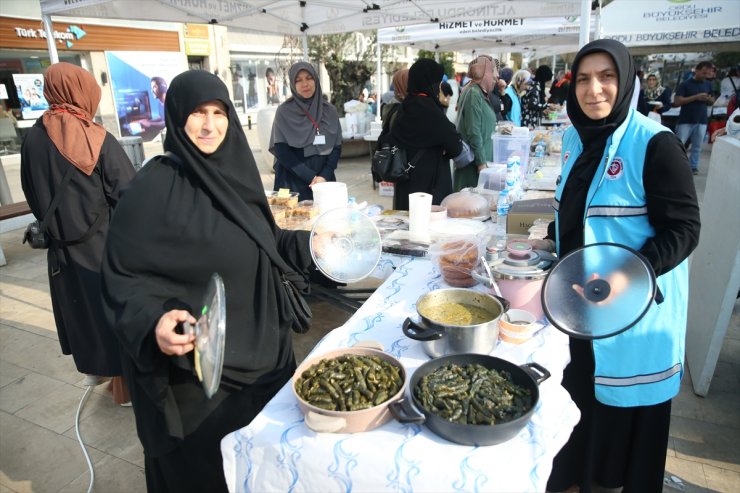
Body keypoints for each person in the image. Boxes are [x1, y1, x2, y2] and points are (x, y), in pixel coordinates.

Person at [100, 70, 316, 492]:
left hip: (266, 360)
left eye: (219, 112)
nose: (209, 124)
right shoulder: (152, 188)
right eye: (198, 113)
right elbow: (123, 278)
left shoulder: (237, 171)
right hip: (199, 378)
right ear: (178, 116)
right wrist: (155, 322)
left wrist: (317, 247)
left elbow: (265, 240)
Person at [544, 39, 700, 492]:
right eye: (585, 79)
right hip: (580, 304)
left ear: (627, 81)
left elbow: (684, 229)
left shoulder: (655, 144)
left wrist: (629, 274)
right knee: (582, 403)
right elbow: (575, 208)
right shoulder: (576, 136)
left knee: (625, 418)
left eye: (607, 77)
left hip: (634, 312)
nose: (594, 90)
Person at [20, 62, 136, 404]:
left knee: (81, 313)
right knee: (112, 316)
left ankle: (95, 370)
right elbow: (128, 193)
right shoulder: (95, 136)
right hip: (102, 248)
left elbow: (30, 190)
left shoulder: (33, 137)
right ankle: (124, 390)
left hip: (61, 251)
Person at [389, 58, 465, 210]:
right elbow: (456, 146)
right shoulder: (432, 111)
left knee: (407, 227)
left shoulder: (402, 109)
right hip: (430, 187)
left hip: (405, 183)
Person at [269, 61, 341, 201]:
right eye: (298, 80)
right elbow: (281, 151)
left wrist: (323, 176)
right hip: (292, 182)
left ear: (316, 79)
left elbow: (336, 148)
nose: (305, 84)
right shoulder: (284, 112)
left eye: (309, 78)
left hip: (324, 182)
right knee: (293, 221)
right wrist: (311, 177)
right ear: (292, 84)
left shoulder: (330, 111)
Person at [455, 54, 497, 191]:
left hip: (479, 163)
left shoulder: (477, 92)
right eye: (492, 72)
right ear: (484, 73)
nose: (496, 77)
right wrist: (481, 164)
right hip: (474, 166)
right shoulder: (473, 93)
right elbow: (474, 131)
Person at [673, 61, 715, 174]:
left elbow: (712, 101)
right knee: (679, 145)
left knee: (697, 146)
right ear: (697, 70)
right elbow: (677, 101)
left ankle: (693, 166)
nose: (705, 75)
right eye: (703, 73)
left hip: (701, 119)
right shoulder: (685, 84)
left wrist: (708, 99)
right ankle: (675, 165)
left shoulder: (708, 85)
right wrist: (695, 97)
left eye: (707, 73)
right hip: (686, 119)